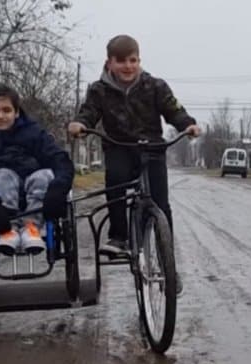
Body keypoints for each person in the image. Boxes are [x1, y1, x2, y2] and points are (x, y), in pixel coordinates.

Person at [68, 35, 201, 292]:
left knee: (161, 205)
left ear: (139, 60)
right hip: (119, 147)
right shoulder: (99, 90)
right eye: (121, 61)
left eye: (133, 60)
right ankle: (119, 236)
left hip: (152, 148)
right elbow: (89, 111)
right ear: (110, 63)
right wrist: (81, 124)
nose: (128, 66)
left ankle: (167, 266)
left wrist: (188, 125)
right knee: (116, 182)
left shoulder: (155, 86)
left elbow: (174, 110)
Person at [0, 84, 74, 256]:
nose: (0, 116)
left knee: (44, 175)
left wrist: (58, 188)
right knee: (3, 174)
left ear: (16, 112)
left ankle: (32, 228)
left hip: (37, 195)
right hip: (2, 200)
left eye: (6, 110)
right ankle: (8, 231)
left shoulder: (36, 134)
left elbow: (60, 161)